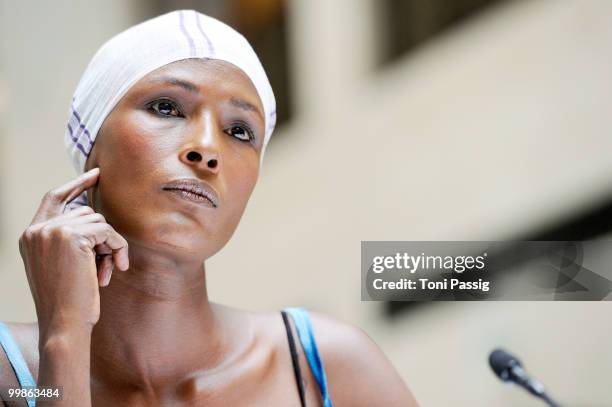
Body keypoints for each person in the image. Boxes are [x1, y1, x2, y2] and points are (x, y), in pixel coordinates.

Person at [0, 10, 419, 406]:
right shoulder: (8, 375)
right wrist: (64, 341)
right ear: (91, 142)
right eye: (166, 107)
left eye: (239, 131)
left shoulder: (327, 367)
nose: (206, 149)